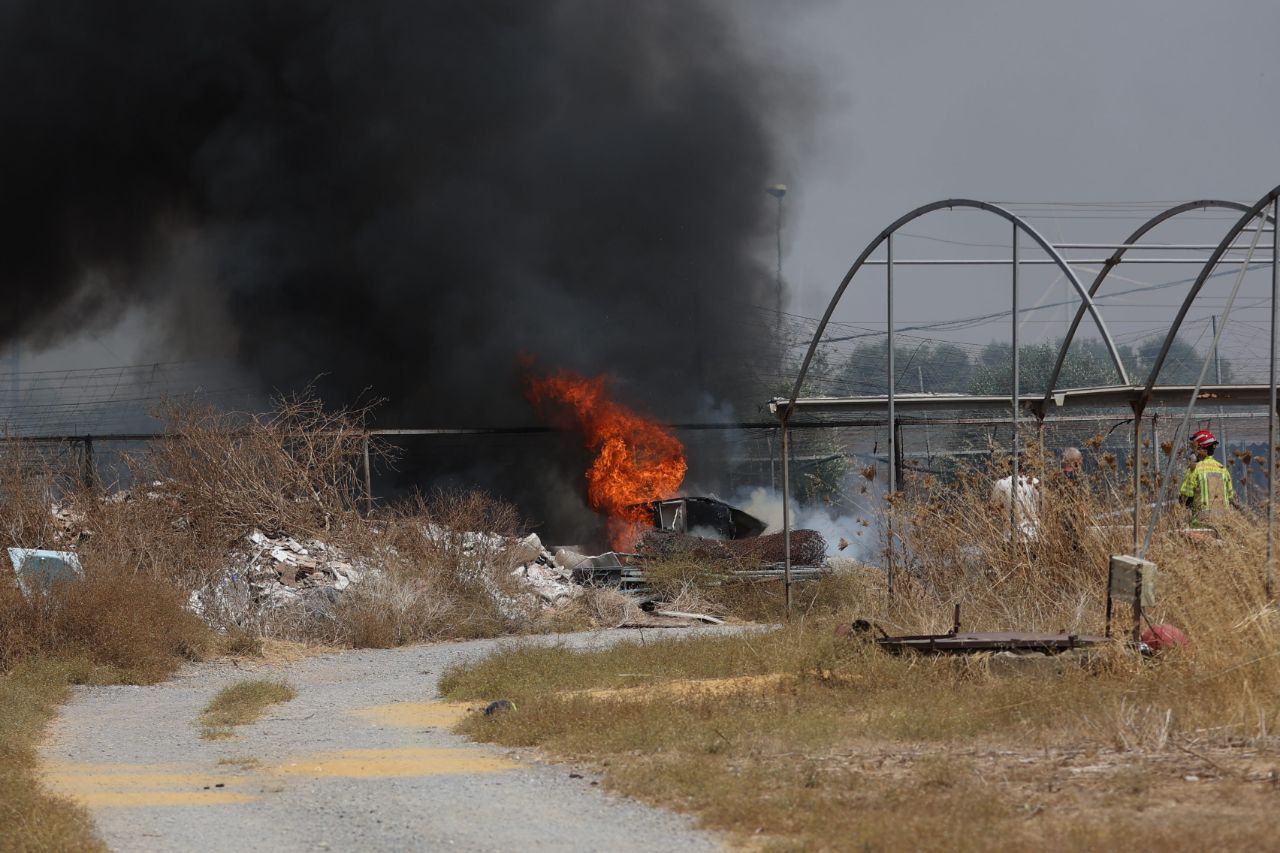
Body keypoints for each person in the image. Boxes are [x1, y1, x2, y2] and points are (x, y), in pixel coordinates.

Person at [1179, 429, 1235, 527]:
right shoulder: (1222, 469)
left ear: (1201, 449)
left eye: (1195, 449)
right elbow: (1230, 497)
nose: (1193, 452)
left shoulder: (1195, 469)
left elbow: (1185, 498)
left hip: (1201, 523)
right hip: (1223, 523)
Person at [990, 460, 1041, 540]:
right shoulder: (1034, 482)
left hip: (1011, 533)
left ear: (1007, 468)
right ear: (1022, 468)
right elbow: (1040, 508)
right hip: (1032, 533)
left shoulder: (1001, 483)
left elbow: (994, 509)